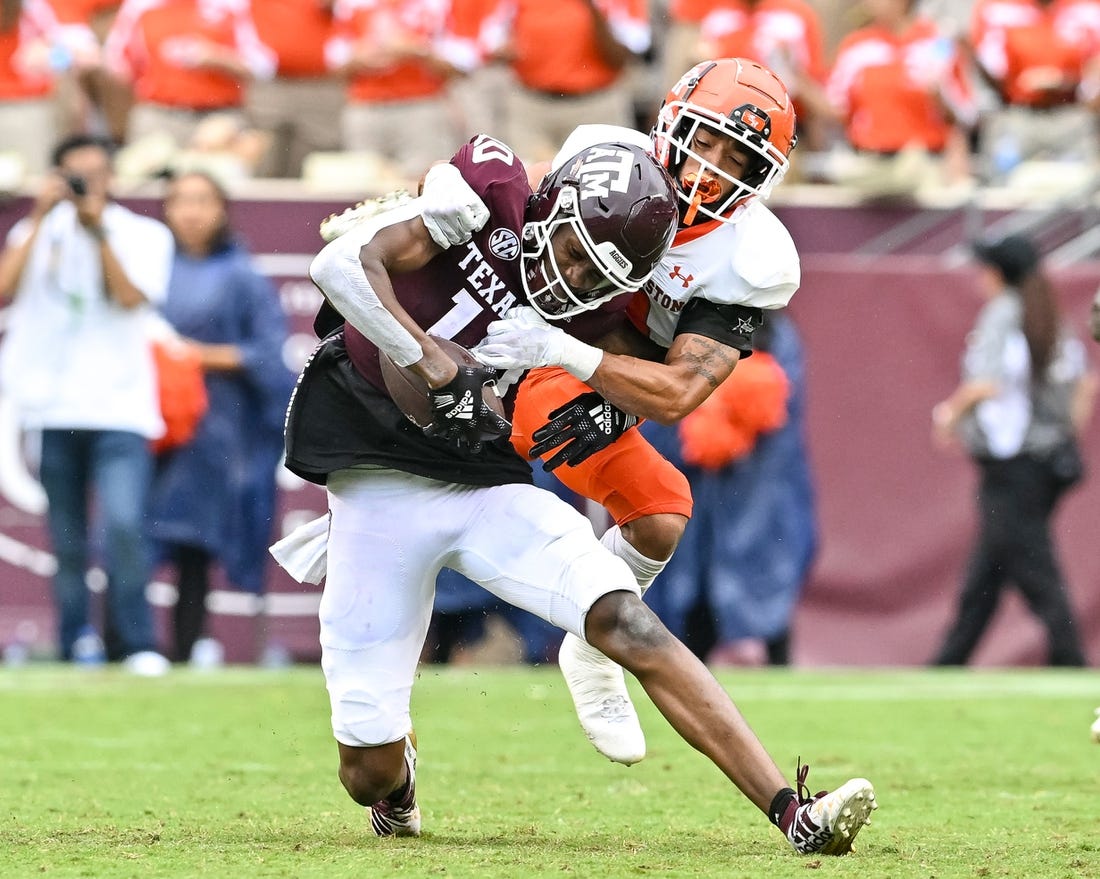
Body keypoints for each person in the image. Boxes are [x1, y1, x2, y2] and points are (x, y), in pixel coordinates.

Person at [274, 133, 876, 851]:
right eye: (568, 251)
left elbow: (658, 380)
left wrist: (591, 379)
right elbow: (339, 263)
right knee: (364, 773)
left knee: (628, 618)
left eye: (597, 277)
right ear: (548, 209)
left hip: (483, 486)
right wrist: (433, 362)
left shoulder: (596, 320)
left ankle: (793, 813)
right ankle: (398, 780)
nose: (571, 281)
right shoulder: (490, 198)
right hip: (377, 486)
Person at [425, 57, 804, 767]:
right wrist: (454, 186)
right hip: (510, 349)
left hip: (580, 369)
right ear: (670, 120)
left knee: (662, 511)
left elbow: (682, 390)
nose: (710, 167)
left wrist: (582, 368)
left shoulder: (752, 256)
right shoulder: (604, 155)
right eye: (706, 139)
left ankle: (590, 649)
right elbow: (509, 231)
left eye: (737, 156)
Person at [0, 133, 174, 674]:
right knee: (67, 538)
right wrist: (39, 218)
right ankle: (77, 638)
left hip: (120, 406)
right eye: (76, 176)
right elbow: (5, 290)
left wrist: (96, 231)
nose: (86, 186)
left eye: (96, 175)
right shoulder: (33, 230)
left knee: (123, 526)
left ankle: (138, 642)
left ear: (113, 178)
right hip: (54, 407)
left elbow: (129, 298)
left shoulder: (144, 234)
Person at [929, 233, 1094, 667]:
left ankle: (1070, 658)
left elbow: (986, 382)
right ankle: (949, 660)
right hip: (1044, 459)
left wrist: (949, 414)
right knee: (990, 567)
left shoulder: (1003, 313)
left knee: (1034, 567)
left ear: (998, 273)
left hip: (1012, 462)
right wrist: (1060, 436)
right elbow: (1083, 386)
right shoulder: (1049, 314)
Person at [150, 170, 294, 663]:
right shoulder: (143, 267)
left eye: (202, 201)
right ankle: (123, 649)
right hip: (145, 423)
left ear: (222, 210)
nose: (190, 211)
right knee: (127, 534)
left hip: (213, 429)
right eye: (180, 200)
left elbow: (267, 355)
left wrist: (192, 356)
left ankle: (185, 649)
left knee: (194, 544)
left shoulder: (243, 276)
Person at [640, 312, 817, 667]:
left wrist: (723, 411)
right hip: (695, 492)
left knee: (761, 578)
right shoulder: (678, 326)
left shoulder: (777, 343)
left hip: (754, 491)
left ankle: (768, 657)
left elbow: (773, 420)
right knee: (690, 592)